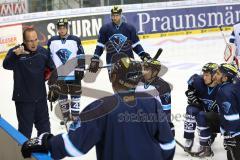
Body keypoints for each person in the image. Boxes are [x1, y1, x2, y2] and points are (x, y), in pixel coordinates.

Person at [21, 57, 175, 160]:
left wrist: (47, 142)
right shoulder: (153, 103)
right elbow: (169, 146)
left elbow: (74, 146)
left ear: (113, 78)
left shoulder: (101, 107)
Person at [2, 28, 55, 138]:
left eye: (35, 39)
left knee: (45, 132)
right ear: (24, 41)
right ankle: (23, 155)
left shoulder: (43, 52)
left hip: (40, 99)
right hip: (24, 101)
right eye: (30, 41)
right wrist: (15, 55)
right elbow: (6, 65)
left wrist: (54, 87)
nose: (34, 43)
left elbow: (53, 70)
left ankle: (44, 153)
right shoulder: (16, 52)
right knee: (24, 134)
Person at [89, 6, 151, 73]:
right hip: (112, 63)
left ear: (121, 15)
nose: (114, 17)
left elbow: (136, 45)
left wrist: (142, 54)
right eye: (113, 15)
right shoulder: (105, 28)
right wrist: (95, 58)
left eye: (117, 15)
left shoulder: (130, 28)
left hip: (129, 62)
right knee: (117, 82)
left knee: (132, 82)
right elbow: (100, 46)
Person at [47, 18, 85, 123]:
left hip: (74, 75)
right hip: (59, 76)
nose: (62, 30)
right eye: (60, 28)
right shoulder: (52, 41)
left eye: (64, 27)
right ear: (57, 29)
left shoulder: (75, 39)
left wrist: (80, 67)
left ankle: (75, 117)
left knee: (75, 97)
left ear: (67, 28)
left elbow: (81, 54)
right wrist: (51, 74)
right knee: (62, 98)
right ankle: (66, 117)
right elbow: (48, 58)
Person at [183, 62, 220, 157]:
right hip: (204, 112)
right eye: (203, 74)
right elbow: (190, 88)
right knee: (191, 109)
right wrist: (191, 95)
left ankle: (206, 142)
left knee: (202, 115)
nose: (204, 77)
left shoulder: (222, 87)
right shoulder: (198, 81)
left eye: (207, 75)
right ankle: (189, 138)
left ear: (214, 76)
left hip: (218, 120)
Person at [135, 59, 175, 136]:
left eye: (147, 69)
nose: (144, 72)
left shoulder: (163, 86)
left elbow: (166, 110)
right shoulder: (137, 81)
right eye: (144, 69)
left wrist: (165, 126)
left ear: (155, 72)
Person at [214, 63, 240, 160]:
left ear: (225, 78)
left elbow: (232, 117)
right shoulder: (236, 83)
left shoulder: (225, 91)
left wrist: (230, 135)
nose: (215, 75)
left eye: (218, 73)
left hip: (236, 133)